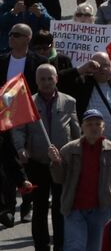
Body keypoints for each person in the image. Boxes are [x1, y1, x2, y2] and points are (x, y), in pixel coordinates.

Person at [15, 63, 78, 250]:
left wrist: (77, 154)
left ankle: (60, 245)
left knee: (61, 208)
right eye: (42, 79)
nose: (46, 82)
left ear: (56, 79)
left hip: (61, 163)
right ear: (36, 81)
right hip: (38, 163)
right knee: (40, 209)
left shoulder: (69, 102)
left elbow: (76, 131)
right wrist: (21, 148)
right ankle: (41, 246)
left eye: (50, 78)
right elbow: (19, 130)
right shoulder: (27, 103)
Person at [50, 109, 111, 251]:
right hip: (74, 209)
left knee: (95, 248)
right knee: (75, 247)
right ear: (82, 127)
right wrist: (56, 163)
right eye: (89, 124)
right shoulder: (69, 149)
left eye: (98, 124)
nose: (94, 127)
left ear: (103, 127)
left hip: (101, 209)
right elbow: (59, 179)